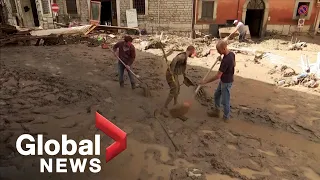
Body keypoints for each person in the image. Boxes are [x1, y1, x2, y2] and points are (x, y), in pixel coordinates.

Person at [200, 40, 235, 120]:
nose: (219, 52)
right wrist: (222, 59)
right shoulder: (231, 54)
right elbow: (234, 64)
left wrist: (205, 82)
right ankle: (217, 111)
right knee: (216, 95)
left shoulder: (226, 61)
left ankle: (226, 117)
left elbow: (218, 76)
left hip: (226, 82)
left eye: (219, 51)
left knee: (225, 100)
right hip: (224, 80)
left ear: (223, 48)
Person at [162, 46, 196, 119]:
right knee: (174, 90)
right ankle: (164, 107)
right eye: (193, 52)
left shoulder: (185, 56)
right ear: (191, 51)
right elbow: (175, 60)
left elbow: (181, 68)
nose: (193, 54)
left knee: (178, 89)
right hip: (171, 74)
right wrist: (171, 70)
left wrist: (185, 76)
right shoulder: (182, 56)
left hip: (175, 75)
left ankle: (175, 103)